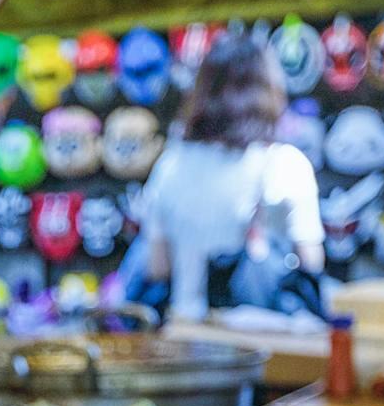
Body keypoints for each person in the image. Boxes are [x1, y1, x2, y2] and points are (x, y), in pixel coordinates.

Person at [129, 32, 323, 322]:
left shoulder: (171, 164)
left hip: (188, 336)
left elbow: (158, 267)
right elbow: (309, 261)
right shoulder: (284, 165)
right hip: (266, 343)